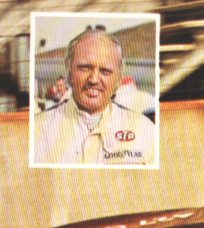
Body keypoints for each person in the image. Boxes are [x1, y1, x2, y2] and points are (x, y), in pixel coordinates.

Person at [33, 29, 156, 165]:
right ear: (68, 67)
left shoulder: (145, 131)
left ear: (119, 74)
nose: (94, 79)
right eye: (85, 68)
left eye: (105, 71)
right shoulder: (37, 132)